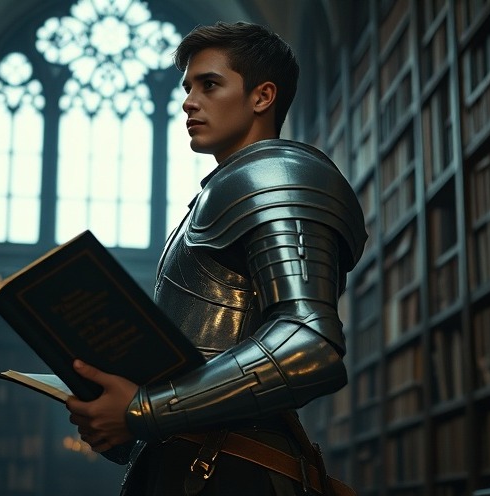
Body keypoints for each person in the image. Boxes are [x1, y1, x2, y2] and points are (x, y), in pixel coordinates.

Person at [66, 21, 367, 496]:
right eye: (187, 88)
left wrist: (144, 410)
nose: (189, 101)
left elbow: (310, 344)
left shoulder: (277, 177)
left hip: (234, 470)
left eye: (209, 85)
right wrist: (116, 411)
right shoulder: (224, 190)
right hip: (191, 461)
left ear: (262, 96)